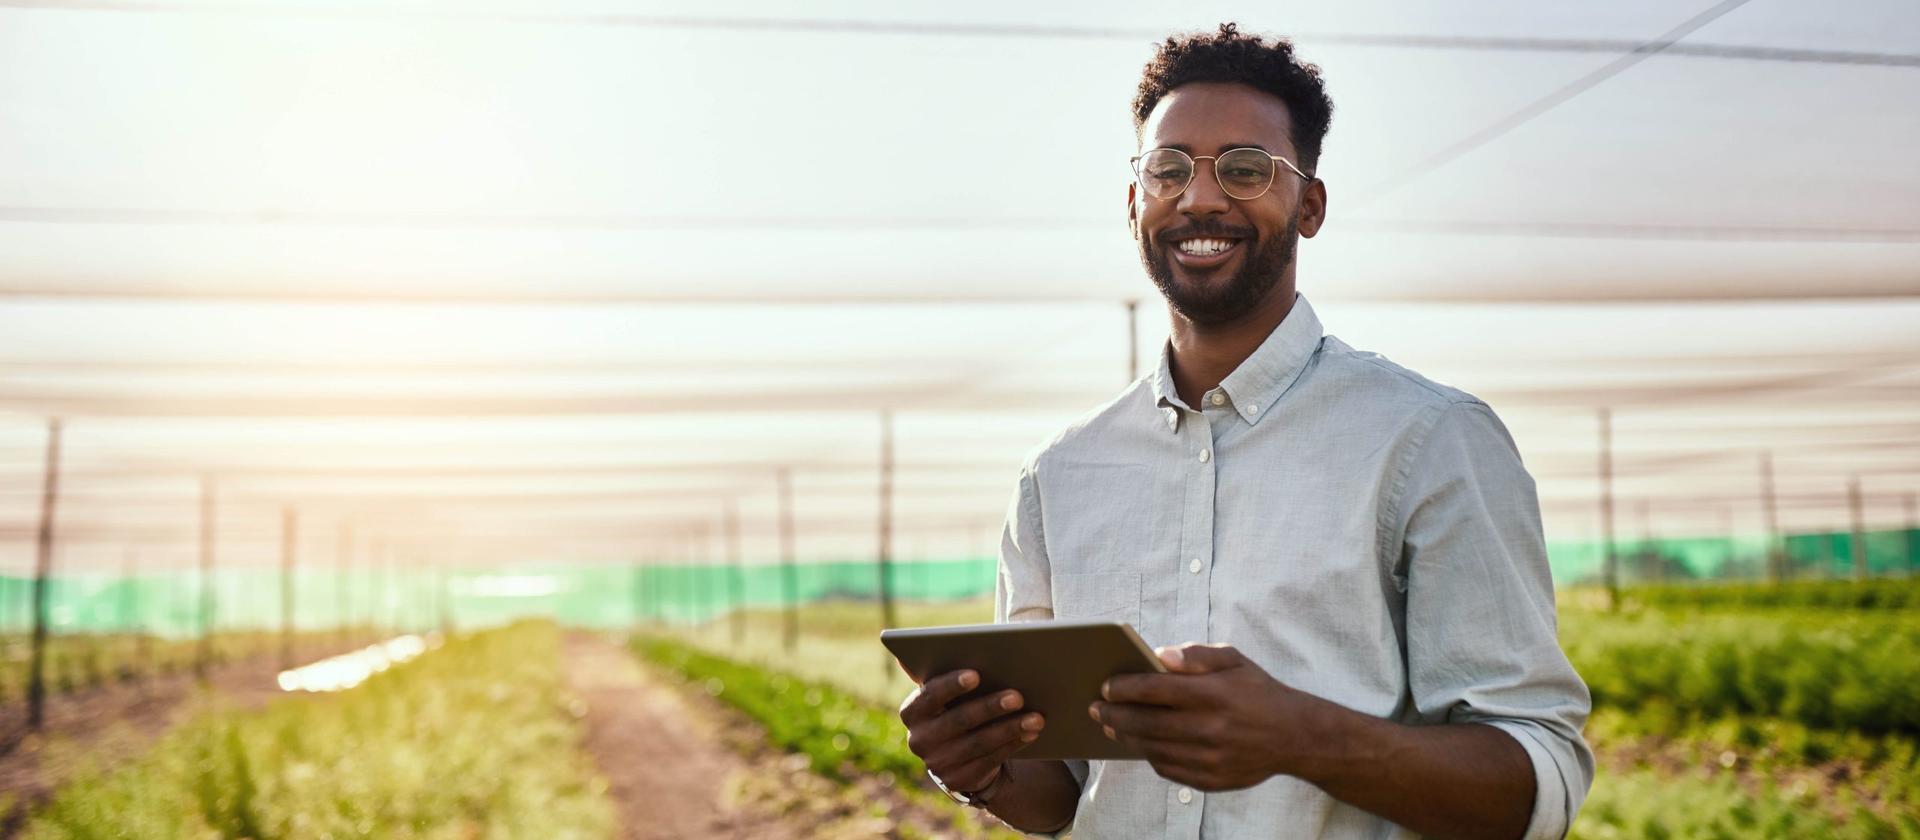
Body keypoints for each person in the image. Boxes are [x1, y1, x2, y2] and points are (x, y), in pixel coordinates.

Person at [895, 22, 1594, 840]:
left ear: (1310, 205)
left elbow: (1534, 781)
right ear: (1133, 204)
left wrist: (1300, 736)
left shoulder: (1430, 440)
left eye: (1246, 169)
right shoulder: (1060, 474)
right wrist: (980, 766)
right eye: (1169, 169)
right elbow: (1061, 799)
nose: (1199, 198)